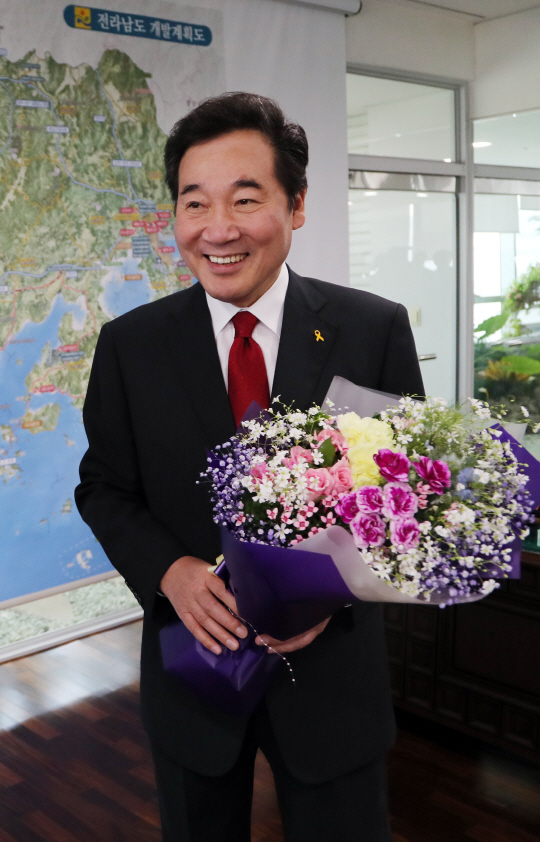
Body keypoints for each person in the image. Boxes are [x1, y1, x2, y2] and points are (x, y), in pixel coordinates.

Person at [75, 92, 424, 842]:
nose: (218, 229)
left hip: (332, 680)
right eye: (194, 203)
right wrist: (168, 569)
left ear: (296, 205)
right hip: (194, 673)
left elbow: (405, 502)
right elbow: (103, 486)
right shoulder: (130, 346)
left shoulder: (372, 329)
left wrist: (334, 595)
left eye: (246, 198)